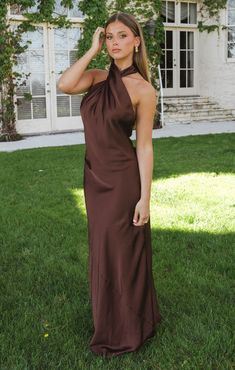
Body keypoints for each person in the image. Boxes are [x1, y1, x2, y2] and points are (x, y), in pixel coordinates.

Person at [57, 11, 162, 358]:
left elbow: (144, 146)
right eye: (110, 37)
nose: (115, 43)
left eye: (122, 36)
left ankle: (130, 326)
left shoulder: (144, 90)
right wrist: (91, 48)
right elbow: (64, 85)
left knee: (122, 253)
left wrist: (145, 198)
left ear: (136, 41)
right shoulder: (99, 77)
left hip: (121, 182)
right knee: (103, 251)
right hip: (94, 178)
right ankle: (111, 320)